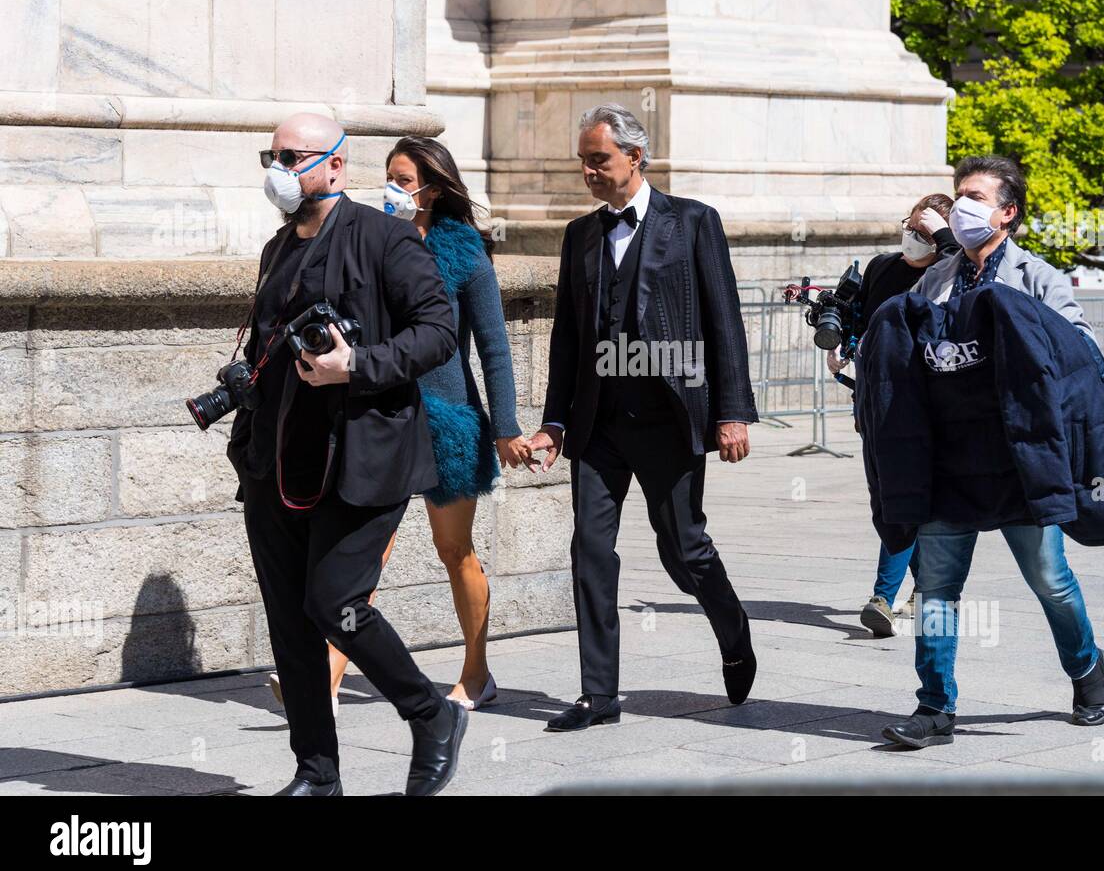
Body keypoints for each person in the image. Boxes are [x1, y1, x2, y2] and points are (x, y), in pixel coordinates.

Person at [225, 112, 467, 795]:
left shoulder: (386, 239)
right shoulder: (277, 248)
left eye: (293, 155)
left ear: (336, 164)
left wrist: (357, 363)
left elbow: (438, 333)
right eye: (270, 156)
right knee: (289, 620)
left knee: (336, 603)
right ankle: (317, 775)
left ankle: (432, 714)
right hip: (275, 459)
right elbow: (271, 344)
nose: (279, 169)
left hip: (363, 456)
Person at [267, 136, 532, 715]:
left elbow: (494, 349)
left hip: (449, 424)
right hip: (380, 417)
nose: (392, 187)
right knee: (368, 554)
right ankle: (327, 677)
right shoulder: (368, 242)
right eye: (388, 175)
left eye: (404, 179)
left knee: (453, 548)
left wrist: (506, 427)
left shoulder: (465, 255)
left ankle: (477, 671)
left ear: (431, 190)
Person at [526, 103, 759, 731]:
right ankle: (598, 695)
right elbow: (567, 340)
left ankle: (734, 633)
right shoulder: (579, 235)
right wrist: (555, 423)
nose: (588, 172)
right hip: (599, 424)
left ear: (635, 156)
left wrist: (732, 412)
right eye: (583, 161)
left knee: (684, 552)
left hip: (669, 417)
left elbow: (723, 321)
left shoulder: (692, 223)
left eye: (598, 159)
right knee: (590, 553)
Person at [878, 155, 1104, 749]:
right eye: (959, 196)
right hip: (949, 464)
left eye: (977, 197)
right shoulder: (934, 278)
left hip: (1019, 465)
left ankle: (1086, 667)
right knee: (935, 590)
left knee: (1050, 581)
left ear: (1008, 212)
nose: (963, 208)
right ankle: (933, 707)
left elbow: (1077, 352)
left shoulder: (1039, 278)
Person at [837, 193, 957, 636]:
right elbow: (860, 318)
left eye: (924, 233)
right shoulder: (882, 266)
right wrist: (846, 348)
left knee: (900, 499)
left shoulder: (950, 273)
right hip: (875, 399)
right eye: (910, 227)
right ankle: (926, 589)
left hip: (926, 404)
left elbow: (962, 277)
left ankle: (882, 597)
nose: (913, 238)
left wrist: (945, 239)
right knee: (894, 498)